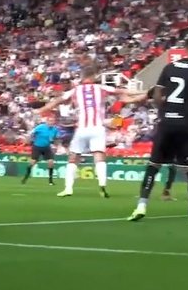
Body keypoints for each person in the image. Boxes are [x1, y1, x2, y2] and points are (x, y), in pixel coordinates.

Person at [129, 36, 188, 223]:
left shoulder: (169, 67)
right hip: (186, 123)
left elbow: (157, 95)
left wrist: (164, 112)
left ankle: (141, 205)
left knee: (154, 165)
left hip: (166, 122)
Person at [38, 65, 134, 198]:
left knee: (73, 158)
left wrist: (42, 109)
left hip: (82, 128)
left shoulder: (76, 90)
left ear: (83, 77)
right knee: (99, 156)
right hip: (98, 128)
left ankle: (68, 188)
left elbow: (59, 100)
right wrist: (141, 94)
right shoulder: (100, 87)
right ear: (94, 76)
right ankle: (102, 185)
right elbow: (120, 91)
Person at [22, 114, 59, 186]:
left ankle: (50, 181)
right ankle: (25, 177)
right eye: (50, 121)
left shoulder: (55, 129)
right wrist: (30, 140)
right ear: (47, 121)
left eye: (53, 121)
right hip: (37, 146)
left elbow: (56, 139)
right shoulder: (40, 127)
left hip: (47, 147)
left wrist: (55, 145)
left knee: (51, 162)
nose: (52, 122)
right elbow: (32, 133)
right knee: (32, 162)